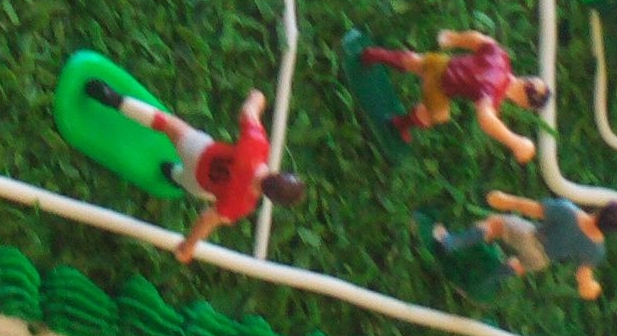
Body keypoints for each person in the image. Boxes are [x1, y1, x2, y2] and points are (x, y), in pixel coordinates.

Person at [82, 81, 305, 263]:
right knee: (182, 180)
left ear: (279, 173)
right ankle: (171, 172)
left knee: (165, 123)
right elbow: (207, 219)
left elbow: (248, 112)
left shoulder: (257, 146)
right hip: (199, 182)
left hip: (200, 150)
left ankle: (116, 100)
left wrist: (256, 98)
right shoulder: (242, 203)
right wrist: (188, 246)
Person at [359, 30, 550, 165]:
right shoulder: (494, 90)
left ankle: (373, 54)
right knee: (436, 115)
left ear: (526, 80)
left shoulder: (501, 59)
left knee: (415, 62)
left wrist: (454, 38)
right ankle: (400, 123)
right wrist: (515, 141)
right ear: (524, 103)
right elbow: (486, 119)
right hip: (441, 86)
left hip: (443, 64)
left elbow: (480, 40)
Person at [422, 193, 617, 301]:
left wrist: (506, 201)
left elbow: (530, 208)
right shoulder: (596, 250)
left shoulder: (569, 212)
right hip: (542, 259)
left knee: (496, 225)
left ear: (600, 209)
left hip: (532, 237)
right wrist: (589, 287)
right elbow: (583, 276)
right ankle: (479, 285)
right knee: (517, 265)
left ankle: (450, 243)